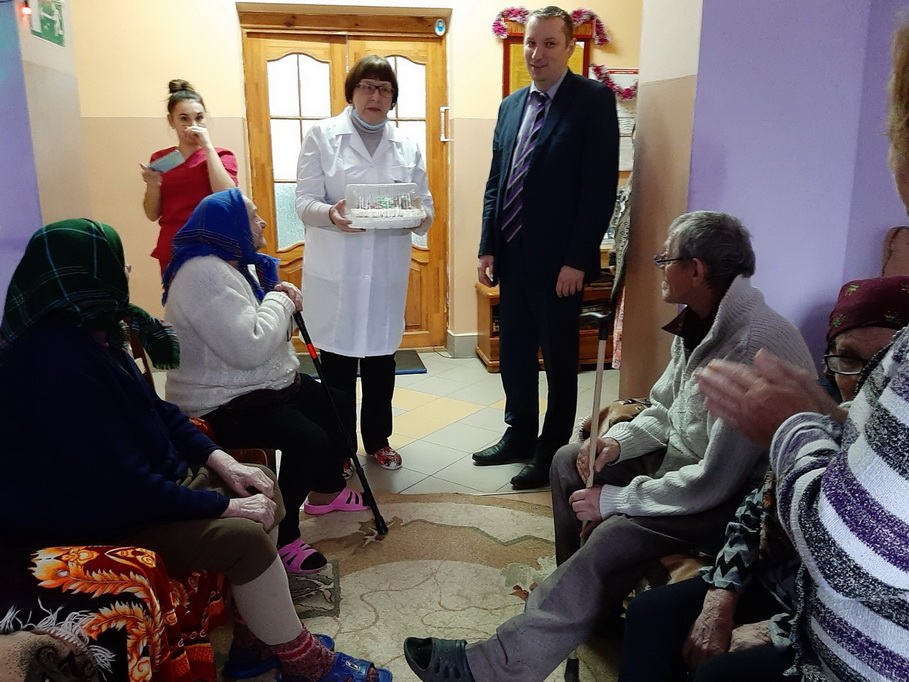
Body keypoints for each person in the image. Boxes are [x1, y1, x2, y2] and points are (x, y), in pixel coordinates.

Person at [404, 211, 815, 682]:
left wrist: (616, 499)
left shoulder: (749, 347)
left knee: (615, 534)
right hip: (686, 472)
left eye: (665, 259)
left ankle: (493, 668)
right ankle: (585, 607)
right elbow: (664, 411)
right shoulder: (702, 321)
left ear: (696, 269)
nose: (659, 268)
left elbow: (712, 484)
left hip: (733, 501)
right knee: (568, 461)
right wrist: (615, 443)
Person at [0, 219, 390, 682]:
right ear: (84, 275)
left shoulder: (90, 334)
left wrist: (221, 460)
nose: (127, 269)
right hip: (94, 518)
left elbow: (159, 412)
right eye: (115, 262)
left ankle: (254, 644)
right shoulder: (53, 364)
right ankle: (302, 660)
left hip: (139, 487)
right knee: (243, 537)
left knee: (258, 483)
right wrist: (223, 507)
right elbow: (121, 486)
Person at [696, 27, 909, 679]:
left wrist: (793, 424)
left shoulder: (753, 335)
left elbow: (856, 548)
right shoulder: (696, 324)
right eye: (845, 360)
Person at [619, 274, 909, 682]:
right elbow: (755, 510)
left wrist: (780, 630)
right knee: (651, 613)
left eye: (877, 364)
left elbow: (851, 562)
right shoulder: (829, 410)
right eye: (847, 359)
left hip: (824, 612)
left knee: (721, 673)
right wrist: (721, 596)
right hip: (774, 581)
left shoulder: (870, 439)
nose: (861, 381)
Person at [162, 188, 371, 576]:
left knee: (336, 403)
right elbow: (249, 348)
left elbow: (260, 335)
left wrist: (278, 300)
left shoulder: (233, 265)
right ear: (229, 226)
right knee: (308, 439)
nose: (261, 223)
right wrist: (282, 302)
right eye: (253, 217)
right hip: (221, 400)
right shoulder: (203, 274)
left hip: (260, 386)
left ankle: (325, 492)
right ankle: (282, 535)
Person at [471, 5, 620, 490]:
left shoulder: (593, 101)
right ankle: (518, 435)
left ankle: (551, 449)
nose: (537, 53)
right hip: (511, 256)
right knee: (514, 353)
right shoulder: (511, 106)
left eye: (549, 43)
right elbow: (497, 182)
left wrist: (577, 259)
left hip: (560, 266)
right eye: (531, 43)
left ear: (570, 47)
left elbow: (597, 189)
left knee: (558, 359)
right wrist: (488, 246)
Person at [295, 55, 433, 472]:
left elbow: (425, 207)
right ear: (352, 92)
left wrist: (417, 217)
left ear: (393, 98)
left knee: (380, 365)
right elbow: (303, 202)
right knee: (336, 367)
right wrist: (330, 214)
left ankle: (378, 441)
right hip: (337, 271)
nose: (376, 96)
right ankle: (339, 450)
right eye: (367, 87)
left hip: (385, 272)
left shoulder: (407, 145)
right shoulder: (321, 136)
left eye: (384, 89)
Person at [141, 79, 238, 274]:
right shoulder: (160, 159)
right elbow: (152, 214)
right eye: (184, 119)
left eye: (199, 118)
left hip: (214, 245)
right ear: (171, 121)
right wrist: (152, 185)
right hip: (173, 247)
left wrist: (207, 147)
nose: (193, 125)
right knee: (178, 294)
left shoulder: (221, 156)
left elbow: (227, 196)